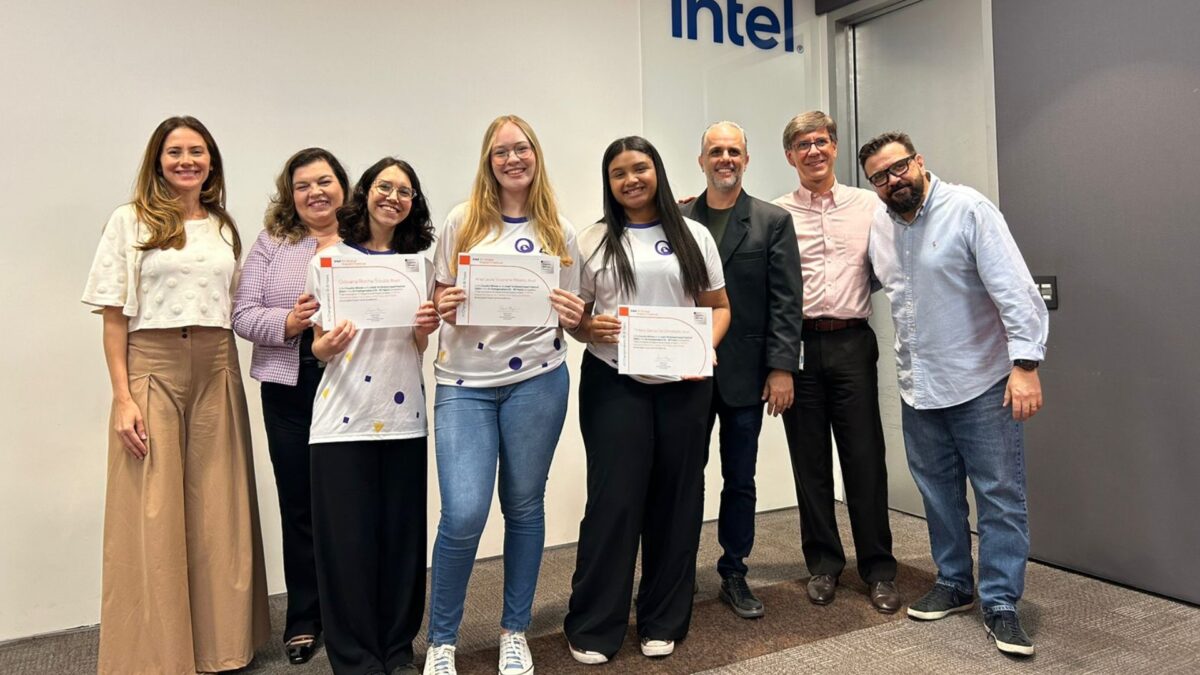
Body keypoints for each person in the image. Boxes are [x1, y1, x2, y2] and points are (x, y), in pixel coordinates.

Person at [81, 115, 271, 675]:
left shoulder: (222, 228)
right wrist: (123, 397)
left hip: (216, 364)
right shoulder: (129, 221)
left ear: (211, 161)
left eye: (197, 151)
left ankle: (222, 648)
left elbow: (240, 308)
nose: (186, 160)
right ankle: (156, 656)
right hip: (152, 364)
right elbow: (113, 319)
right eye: (174, 152)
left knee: (219, 506)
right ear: (157, 161)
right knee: (153, 508)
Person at [859, 131, 1048, 656]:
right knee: (939, 496)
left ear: (919, 161)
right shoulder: (880, 223)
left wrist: (1026, 366)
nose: (892, 181)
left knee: (999, 497)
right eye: (879, 176)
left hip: (982, 384)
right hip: (920, 386)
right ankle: (955, 583)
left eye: (898, 168)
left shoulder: (969, 210)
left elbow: (1016, 291)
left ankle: (1002, 601)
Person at [425, 115, 584, 675]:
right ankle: (442, 638)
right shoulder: (461, 222)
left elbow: (575, 307)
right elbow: (438, 295)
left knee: (523, 506)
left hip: (538, 380)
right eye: (501, 152)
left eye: (522, 149)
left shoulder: (557, 230)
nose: (513, 159)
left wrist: (576, 313)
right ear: (488, 162)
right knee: (464, 513)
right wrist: (442, 304)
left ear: (536, 155)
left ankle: (513, 631)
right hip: (465, 385)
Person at [564, 136, 731, 664]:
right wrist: (592, 328)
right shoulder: (591, 239)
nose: (631, 179)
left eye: (640, 168)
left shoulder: (693, 234)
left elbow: (719, 306)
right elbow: (576, 322)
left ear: (657, 170)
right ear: (608, 183)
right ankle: (594, 624)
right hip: (614, 383)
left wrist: (705, 344)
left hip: (685, 384)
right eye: (619, 173)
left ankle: (662, 618)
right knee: (614, 503)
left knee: (677, 501)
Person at [305, 157, 439, 675]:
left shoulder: (420, 265)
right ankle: (356, 658)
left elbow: (419, 345)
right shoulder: (329, 261)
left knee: (401, 542)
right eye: (385, 186)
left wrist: (425, 326)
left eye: (405, 191)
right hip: (341, 421)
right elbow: (316, 348)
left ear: (413, 204)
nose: (394, 197)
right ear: (366, 194)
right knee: (347, 546)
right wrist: (323, 345)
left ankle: (397, 650)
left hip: (404, 418)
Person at [772, 111, 900, 613]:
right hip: (797, 345)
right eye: (802, 144)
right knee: (810, 462)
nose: (813, 151)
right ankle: (824, 563)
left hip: (851, 341)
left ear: (835, 147)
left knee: (865, 458)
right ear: (790, 156)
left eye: (821, 141)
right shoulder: (777, 213)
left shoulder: (870, 205)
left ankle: (880, 569)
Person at [679, 121, 803, 619]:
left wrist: (781, 369)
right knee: (684, 477)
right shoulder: (679, 217)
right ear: (701, 160)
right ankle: (677, 570)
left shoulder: (772, 221)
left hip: (747, 376)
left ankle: (734, 570)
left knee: (741, 478)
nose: (724, 158)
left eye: (733, 151)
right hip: (684, 370)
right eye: (715, 151)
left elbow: (786, 302)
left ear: (746, 160)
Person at [232, 147, 350, 665]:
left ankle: (350, 612)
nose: (315, 192)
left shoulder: (367, 240)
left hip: (353, 386)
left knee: (349, 504)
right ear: (290, 194)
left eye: (324, 181)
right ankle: (305, 616)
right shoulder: (272, 244)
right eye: (303, 185)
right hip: (289, 386)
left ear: (343, 187)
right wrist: (289, 323)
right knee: (299, 503)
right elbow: (243, 315)